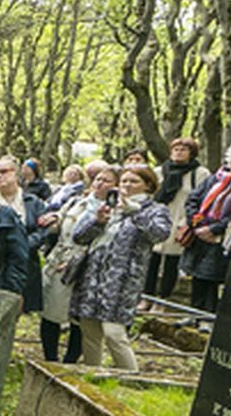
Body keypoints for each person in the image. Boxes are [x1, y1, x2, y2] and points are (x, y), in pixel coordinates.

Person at [69, 164, 173, 369]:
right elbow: (79, 237)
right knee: (90, 331)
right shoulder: (109, 205)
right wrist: (97, 221)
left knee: (114, 333)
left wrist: (134, 212)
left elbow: (159, 235)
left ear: (148, 186)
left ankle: (131, 378)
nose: (127, 185)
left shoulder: (155, 210)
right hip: (93, 276)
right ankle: (93, 376)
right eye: (124, 180)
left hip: (123, 280)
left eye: (134, 181)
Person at [37, 162, 114, 363]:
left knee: (80, 319)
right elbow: (61, 219)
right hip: (59, 259)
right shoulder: (76, 201)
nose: (100, 183)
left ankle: (70, 361)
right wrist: (53, 219)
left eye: (106, 180)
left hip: (87, 266)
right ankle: (50, 359)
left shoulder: (116, 210)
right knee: (50, 311)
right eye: (98, 179)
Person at [178, 142, 231, 314]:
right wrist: (198, 224)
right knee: (197, 276)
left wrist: (214, 229)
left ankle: (208, 316)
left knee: (213, 277)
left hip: (227, 237)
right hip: (199, 234)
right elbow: (193, 199)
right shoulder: (214, 178)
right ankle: (193, 313)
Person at [143, 138, 204, 300]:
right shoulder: (159, 171)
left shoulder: (200, 173)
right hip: (157, 218)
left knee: (172, 261)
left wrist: (189, 222)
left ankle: (163, 299)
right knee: (151, 259)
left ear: (192, 153)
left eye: (184, 149)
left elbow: (202, 199)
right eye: (176, 149)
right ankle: (147, 296)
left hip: (180, 220)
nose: (179, 152)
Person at [0, 156, 44, 311]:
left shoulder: (33, 202)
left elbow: (43, 230)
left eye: (3, 171)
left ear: (16, 174)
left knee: (18, 310)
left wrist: (25, 245)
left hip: (25, 264)